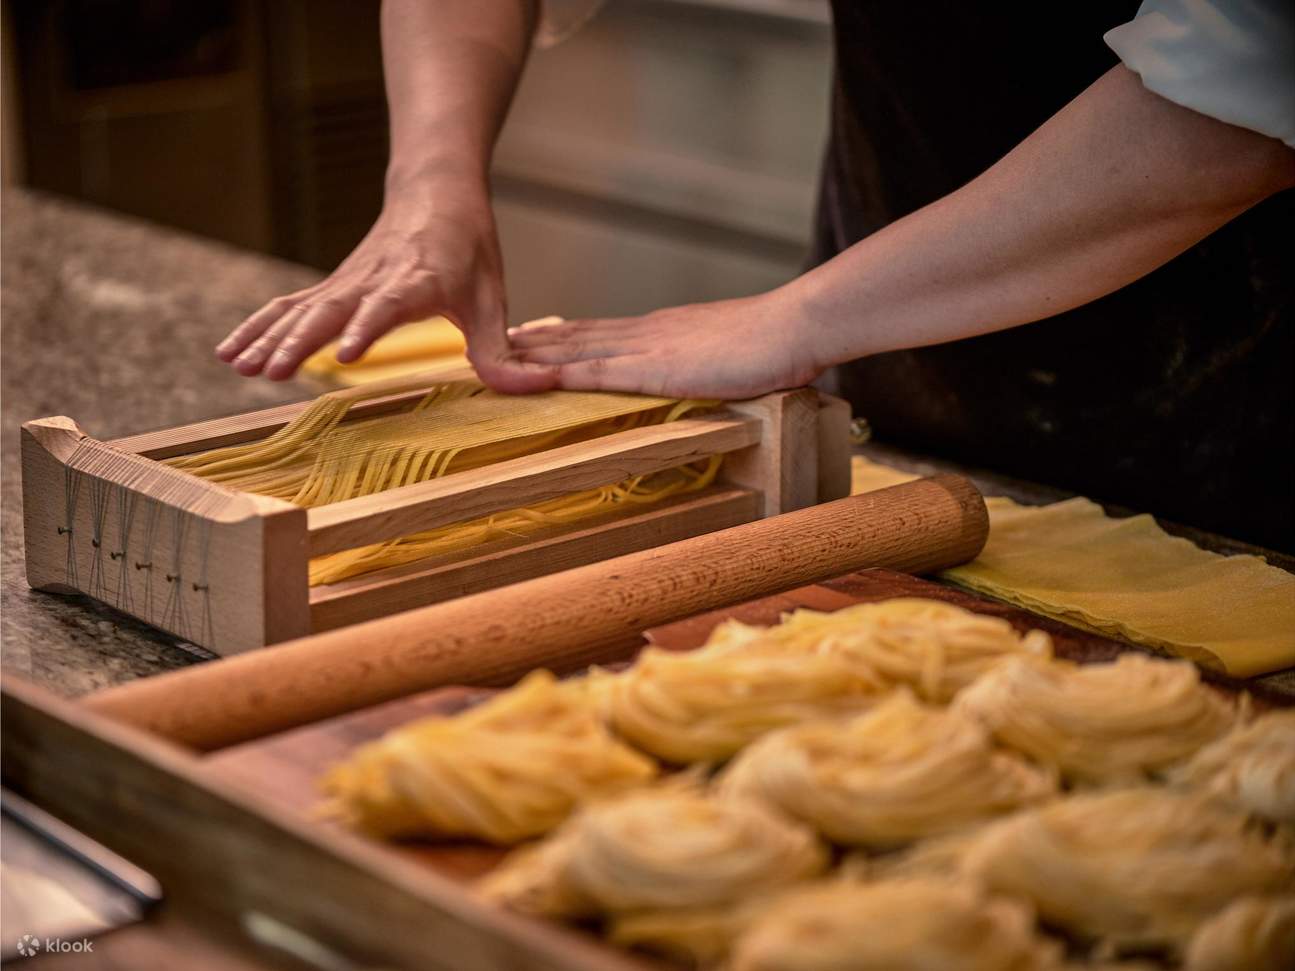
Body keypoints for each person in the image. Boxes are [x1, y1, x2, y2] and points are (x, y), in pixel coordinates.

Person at [215, 1, 1295, 549]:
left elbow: (1243, 90)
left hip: (1243, 416)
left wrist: (804, 315)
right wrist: (430, 187)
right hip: (897, 348)